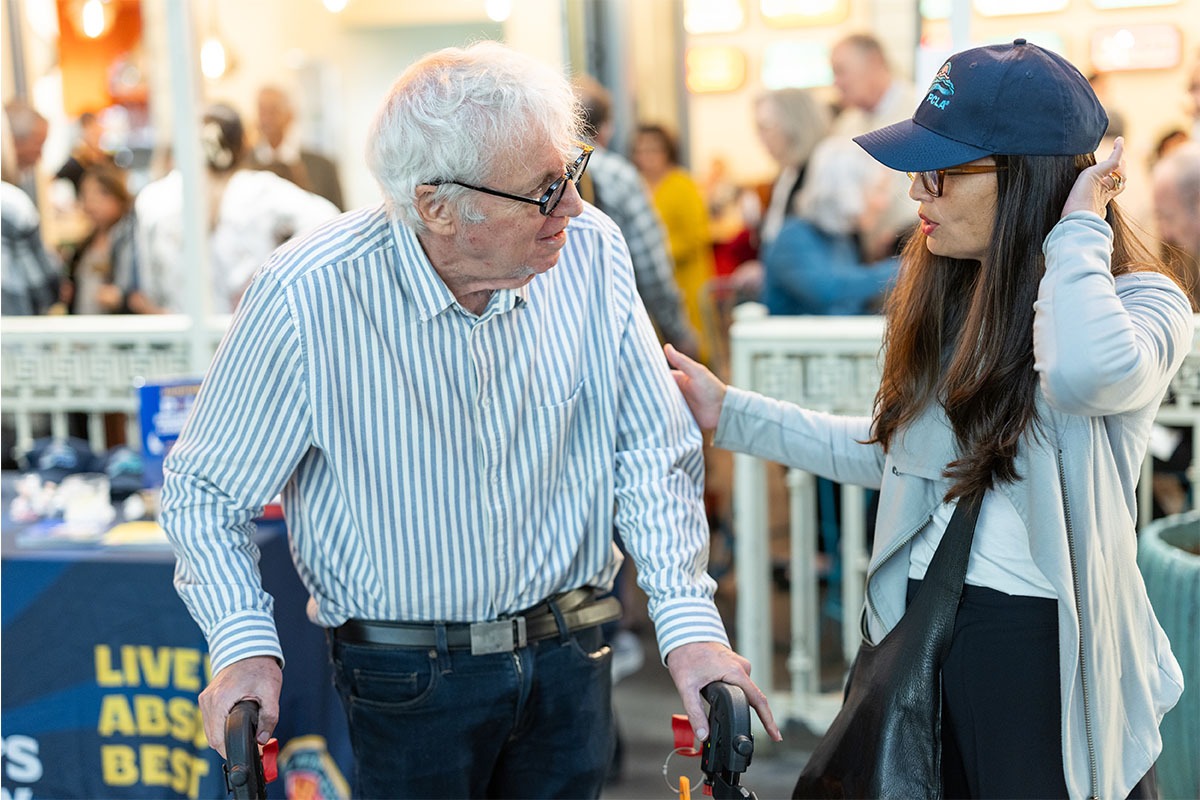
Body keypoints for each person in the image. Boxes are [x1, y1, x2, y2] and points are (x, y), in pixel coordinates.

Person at [160, 41, 779, 800]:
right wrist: (244, 646)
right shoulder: (309, 294)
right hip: (403, 677)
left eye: (571, 172)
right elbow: (205, 491)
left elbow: (651, 452)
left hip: (570, 655)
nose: (575, 209)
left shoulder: (591, 253)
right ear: (437, 206)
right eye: (546, 190)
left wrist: (689, 630)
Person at [666, 39, 1188, 799]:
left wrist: (1078, 223)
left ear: (1024, 178)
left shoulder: (1139, 301)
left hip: (1041, 651)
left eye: (941, 170)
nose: (918, 193)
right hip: (924, 632)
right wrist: (730, 413)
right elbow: (897, 458)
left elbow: (1082, 373)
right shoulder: (953, 292)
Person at [135, 103, 339, 314]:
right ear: (241, 144)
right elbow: (327, 220)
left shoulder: (153, 197)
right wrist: (277, 279)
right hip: (247, 331)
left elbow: (150, 284)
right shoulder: (260, 190)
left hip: (182, 333)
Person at [572, 75, 700, 358]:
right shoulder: (619, 175)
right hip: (609, 319)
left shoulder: (536, 171)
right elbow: (651, 266)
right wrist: (677, 331)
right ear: (606, 128)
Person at [760, 137, 899, 316]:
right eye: (878, 190)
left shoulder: (842, 238)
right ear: (848, 191)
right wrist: (903, 270)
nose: (884, 203)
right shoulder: (792, 236)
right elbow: (829, 290)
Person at [729, 87, 830, 297]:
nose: (760, 137)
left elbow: (812, 258)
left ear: (793, 126)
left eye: (765, 127)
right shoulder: (786, 174)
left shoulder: (820, 172)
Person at [630, 123, 717, 360]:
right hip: (649, 282)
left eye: (653, 150)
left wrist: (656, 251)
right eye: (641, 151)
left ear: (667, 151)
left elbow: (697, 235)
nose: (646, 157)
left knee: (692, 349)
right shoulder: (634, 185)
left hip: (685, 279)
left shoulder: (683, 184)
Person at [828, 33, 918, 259]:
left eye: (841, 71)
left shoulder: (921, 111)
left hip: (913, 248)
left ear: (875, 62)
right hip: (864, 254)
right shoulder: (846, 124)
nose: (836, 82)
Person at [250, 85, 345, 211]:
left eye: (273, 111)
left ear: (290, 116)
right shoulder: (246, 165)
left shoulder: (322, 167)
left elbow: (339, 216)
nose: (266, 119)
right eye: (262, 111)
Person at [61, 165, 140, 314]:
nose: (91, 203)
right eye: (86, 195)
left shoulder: (129, 242)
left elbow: (135, 295)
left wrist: (119, 298)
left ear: (119, 196)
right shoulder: (83, 246)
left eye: (101, 194)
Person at [55, 111, 115, 195]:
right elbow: (53, 180)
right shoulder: (75, 162)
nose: (95, 133)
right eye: (91, 131)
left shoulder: (109, 158)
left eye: (96, 128)